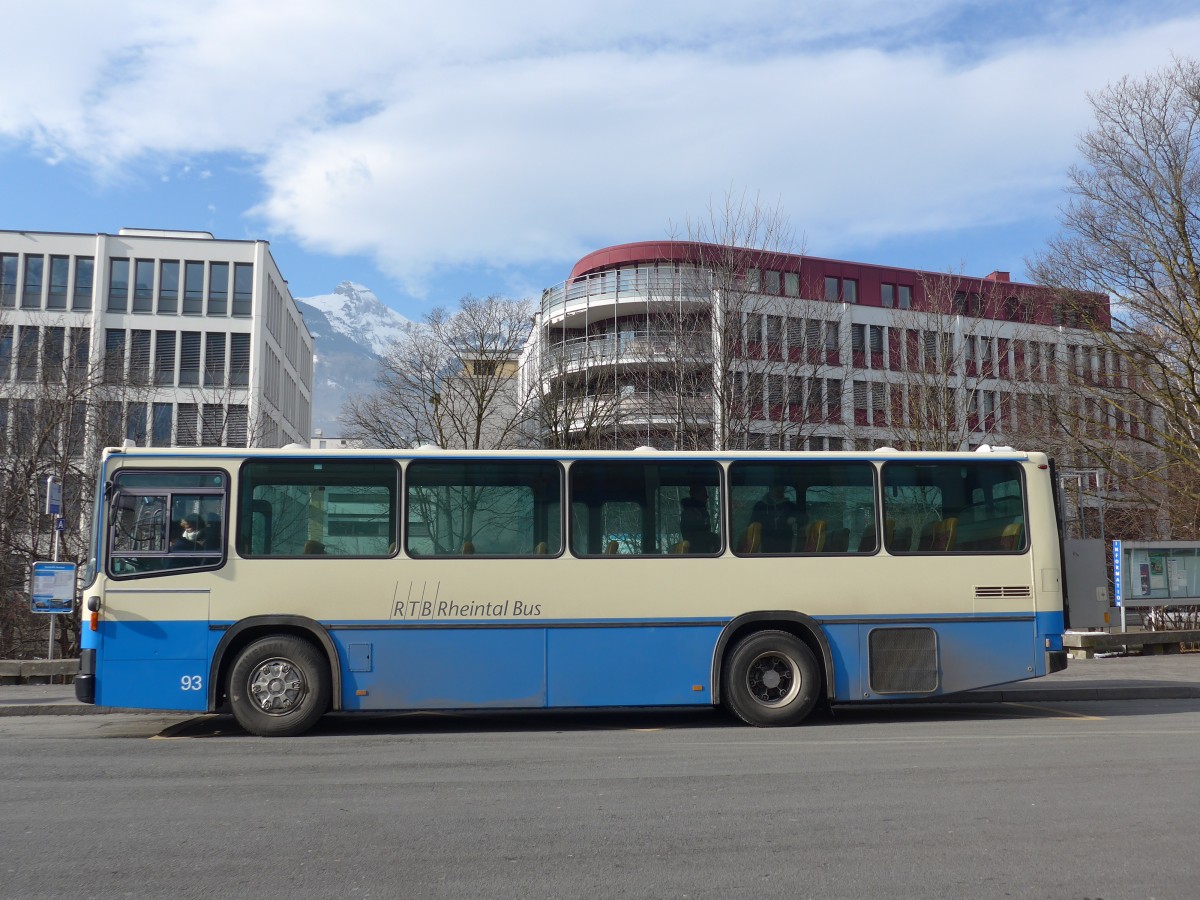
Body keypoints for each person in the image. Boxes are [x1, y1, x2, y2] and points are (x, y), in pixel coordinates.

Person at [752, 482, 798, 552]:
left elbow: (804, 518)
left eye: (782, 491)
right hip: (766, 542)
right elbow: (752, 524)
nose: (780, 493)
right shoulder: (760, 506)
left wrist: (795, 518)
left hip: (785, 542)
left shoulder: (790, 506)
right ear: (771, 489)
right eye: (778, 490)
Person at [679, 483, 717, 553]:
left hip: (704, 552)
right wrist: (713, 538)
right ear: (696, 495)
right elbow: (691, 537)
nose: (706, 497)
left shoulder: (703, 512)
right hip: (695, 554)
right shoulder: (689, 513)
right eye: (704, 494)